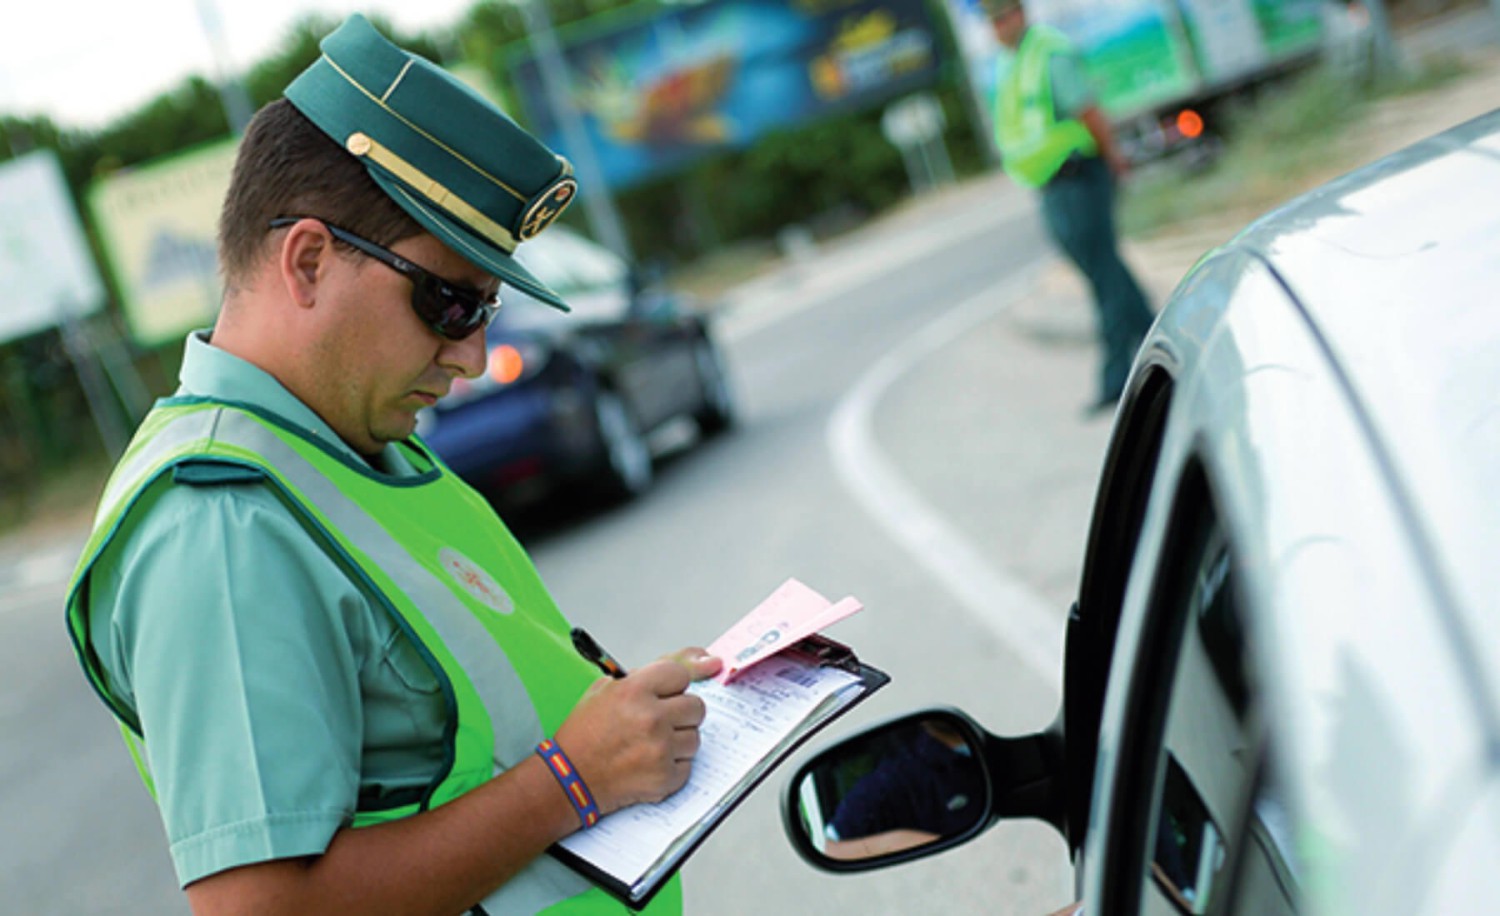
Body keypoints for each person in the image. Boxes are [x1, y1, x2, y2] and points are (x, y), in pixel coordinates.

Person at [63, 15, 720, 915]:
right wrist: (571, 781)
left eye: (486, 310)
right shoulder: (217, 518)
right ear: (307, 261)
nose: (474, 357)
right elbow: (257, 907)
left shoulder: (349, 449)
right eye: (451, 303)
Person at [986, 0, 1155, 413]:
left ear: (1020, 13)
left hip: (1078, 176)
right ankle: (1159, 337)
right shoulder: (1011, 62)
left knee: (1102, 275)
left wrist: (1112, 156)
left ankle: (1117, 377)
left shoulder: (1048, 51)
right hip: (1050, 184)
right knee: (1105, 269)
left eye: (1003, 16)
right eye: (992, 20)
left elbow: (1088, 110)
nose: (998, 26)